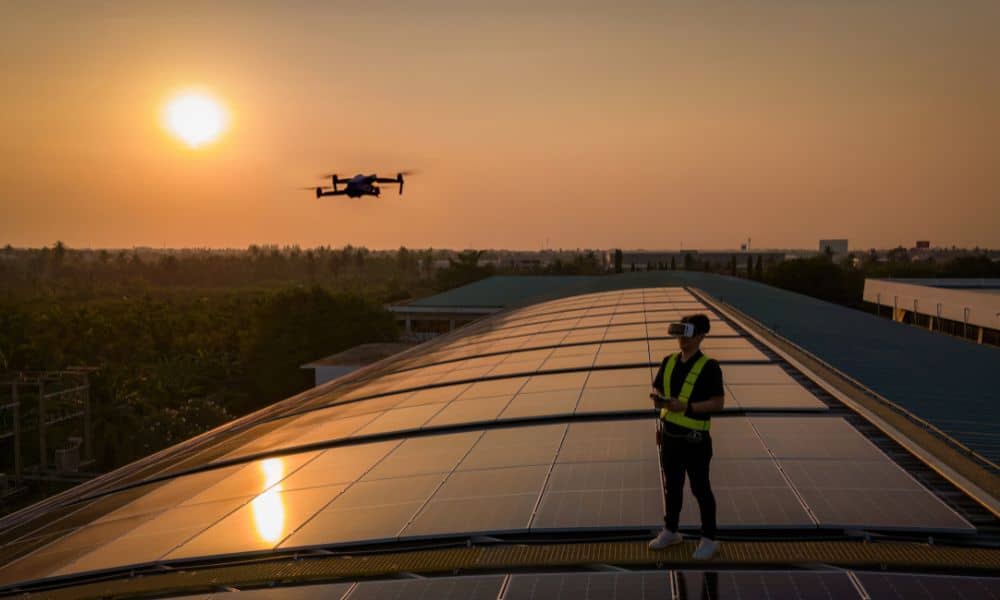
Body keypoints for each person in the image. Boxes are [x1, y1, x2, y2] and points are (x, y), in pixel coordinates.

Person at [647, 313, 725, 560]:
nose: (682, 338)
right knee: (673, 487)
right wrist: (660, 400)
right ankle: (671, 531)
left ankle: (709, 539)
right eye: (680, 332)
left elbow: (718, 403)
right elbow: (658, 387)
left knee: (700, 488)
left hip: (695, 440)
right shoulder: (668, 361)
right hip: (670, 437)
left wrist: (687, 407)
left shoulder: (709, 367)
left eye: (688, 333)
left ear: (701, 336)